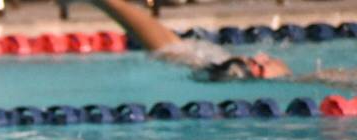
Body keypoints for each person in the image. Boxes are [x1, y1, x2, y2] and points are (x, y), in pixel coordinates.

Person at [81, 0, 357, 85]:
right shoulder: (301, 80)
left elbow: (167, 47)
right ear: (259, 73)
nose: (264, 55)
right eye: (259, 62)